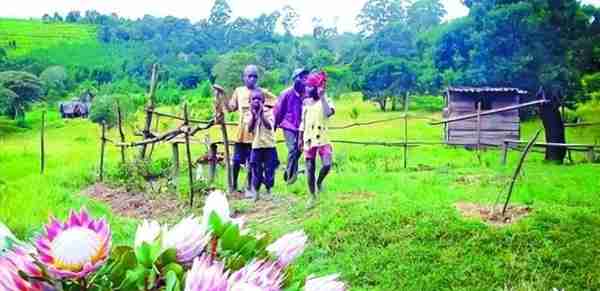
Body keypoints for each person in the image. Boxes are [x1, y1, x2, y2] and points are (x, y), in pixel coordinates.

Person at [213, 65, 277, 195]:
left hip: (255, 136)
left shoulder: (261, 92)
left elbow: (276, 102)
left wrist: (265, 111)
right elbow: (230, 108)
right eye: (249, 76)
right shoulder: (239, 91)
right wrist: (222, 95)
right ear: (244, 77)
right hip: (241, 134)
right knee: (236, 161)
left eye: (255, 76)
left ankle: (250, 187)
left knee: (251, 163)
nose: (252, 79)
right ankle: (233, 186)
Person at [299, 72, 335, 207]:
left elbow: (328, 113)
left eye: (310, 86)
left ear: (317, 87)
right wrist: (299, 138)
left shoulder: (327, 101)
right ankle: (312, 196)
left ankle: (319, 182)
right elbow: (303, 122)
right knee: (310, 168)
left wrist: (322, 97)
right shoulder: (306, 103)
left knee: (327, 164)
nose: (307, 89)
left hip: (323, 138)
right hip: (308, 139)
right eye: (306, 86)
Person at [274, 68, 309, 185]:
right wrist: (274, 125)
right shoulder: (286, 93)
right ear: (295, 79)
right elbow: (278, 110)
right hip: (288, 125)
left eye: (306, 77)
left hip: (302, 126)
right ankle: (291, 178)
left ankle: (288, 171)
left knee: (298, 150)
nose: (305, 80)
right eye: (302, 77)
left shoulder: (308, 93)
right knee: (293, 148)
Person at [247, 89, 279, 201]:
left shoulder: (269, 112)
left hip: (269, 146)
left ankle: (269, 190)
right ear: (250, 101)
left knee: (270, 170)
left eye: (259, 99)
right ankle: (256, 192)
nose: (256, 101)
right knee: (256, 170)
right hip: (256, 147)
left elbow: (269, 126)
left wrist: (261, 114)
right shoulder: (249, 113)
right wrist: (254, 116)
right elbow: (249, 129)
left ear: (263, 101)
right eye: (253, 99)